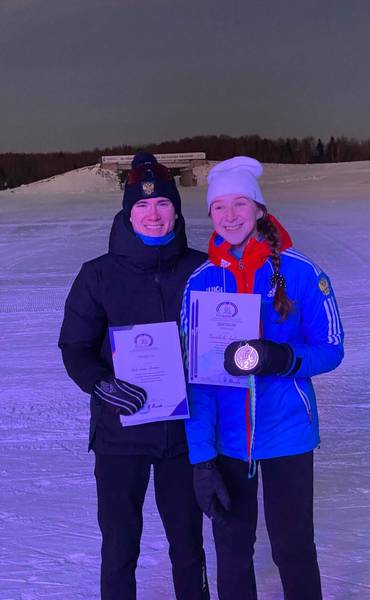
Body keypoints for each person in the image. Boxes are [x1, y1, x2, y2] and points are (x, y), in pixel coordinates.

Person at [181, 156, 344, 600]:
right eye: (219, 207)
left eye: (240, 204)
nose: (230, 216)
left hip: (288, 433)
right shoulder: (200, 281)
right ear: (210, 214)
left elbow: (331, 349)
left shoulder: (300, 271)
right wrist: (201, 457)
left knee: (293, 550)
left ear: (258, 209)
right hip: (228, 442)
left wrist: (280, 357)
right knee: (232, 552)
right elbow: (194, 379)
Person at [59, 153, 210, 600]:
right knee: (120, 546)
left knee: (188, 545)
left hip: (183, 437)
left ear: (176, 211)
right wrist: (101, 384)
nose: (153, 215)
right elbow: (75, 348)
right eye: (142, 207)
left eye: (163, 205)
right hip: (120, 437)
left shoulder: (202, 270)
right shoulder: (98, 276)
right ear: (128, 212)